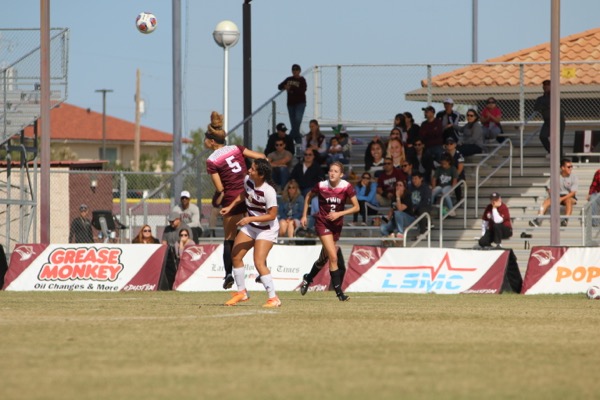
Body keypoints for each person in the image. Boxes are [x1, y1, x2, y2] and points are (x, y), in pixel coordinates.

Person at [204, 111, 267, 290]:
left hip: (232, 196)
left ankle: (228, 274)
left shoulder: (211, 160)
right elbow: (261, 157)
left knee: (229, 237)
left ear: (212, 141)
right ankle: (262, 273)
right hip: (249, 193)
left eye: (205, 140)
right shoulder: (236, 148)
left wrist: (217, 198)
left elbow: (220, 188)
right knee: (257, 232)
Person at [220, 159, 282, 308]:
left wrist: (249, 219)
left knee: (259, 262)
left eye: (253, 169)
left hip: (266, 229)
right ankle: (242, 292)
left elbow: (272, 215)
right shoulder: (248, 180)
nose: (249, 171)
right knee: (235, 256)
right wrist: (230, 207)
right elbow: (244, 194)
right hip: (251, 225)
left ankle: (274, 298)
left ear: (260, 175)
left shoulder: (269, 191)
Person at [299, 162, 360, 301]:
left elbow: (357, 207)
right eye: (330, 170)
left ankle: (308, 278)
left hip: (336, 225)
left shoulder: (346, 186)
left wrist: (339, 214)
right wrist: (304, 215)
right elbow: (308, 196)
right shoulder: (321, 185)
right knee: (333, 257)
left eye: (335, 171)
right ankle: (340, 294)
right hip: (322, 223)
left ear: (341, 174)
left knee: (323, 259)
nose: (332, 173)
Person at [530, 158, 578, 227]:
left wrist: (561, 199)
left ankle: (565, 220)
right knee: (546, 202)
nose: (570, 168)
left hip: (569, 196)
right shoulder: (555, 176)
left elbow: (573, 193)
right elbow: (549, 188)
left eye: (571, 166)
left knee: (568, 201)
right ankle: (538, 219)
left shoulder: (574, 177)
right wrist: (554, 196)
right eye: (568, 167)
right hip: (557, 195)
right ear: (562, 168)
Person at [534, 79, 565, 156]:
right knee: (543, 136)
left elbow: (552, 104)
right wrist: (546, 106)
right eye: (544, 85)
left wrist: (544, 106)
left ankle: (559, 156)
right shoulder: (540, 98)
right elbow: (536, 107)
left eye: (548, 85)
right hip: (548, 121)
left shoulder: (555, 96)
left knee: (558, 139)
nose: (546, 87)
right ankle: (552, 151)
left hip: (558, 121)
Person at [278, 64, 307, 144]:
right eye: (293, 70)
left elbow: (302, 90)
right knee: (293, 123)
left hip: (300, 103)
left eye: (297, 70)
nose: (295, 72)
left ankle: (289, 138)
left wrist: (291, 88)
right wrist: (285, 86)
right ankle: (298, 140)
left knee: (297, 120)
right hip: (291, 104)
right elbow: (279, 86)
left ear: (299, 71)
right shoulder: (288, 79)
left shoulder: (302, 80)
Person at [161, 211, 190, 289]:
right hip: (169, 253)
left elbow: (189, 242)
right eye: (170, 221)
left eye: (172, 221)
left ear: (178, 220)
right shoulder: (167, 229)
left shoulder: (185, 228)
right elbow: (164, 242)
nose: (171, 223)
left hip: (182, 253)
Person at [431, 153, 458, 217]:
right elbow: (434, 179)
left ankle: (452, 210)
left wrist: (452, 189)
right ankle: (429, 207)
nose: (443, 165)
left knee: (445, 192)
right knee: (432, 192)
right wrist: (433, 188)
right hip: (440, 186)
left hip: (449, 186)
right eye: (442, 163)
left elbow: (455, 180)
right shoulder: (439, 168)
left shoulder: (453, 168)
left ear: (449, 162)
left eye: (445, 164)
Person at [409, 171, 432, 241]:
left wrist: (415, 208)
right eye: (412, 179)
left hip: (423, 209)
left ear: (421, 179)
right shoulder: (410, 188)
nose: (414, 180)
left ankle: (423, 233)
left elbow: (425, 201)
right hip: (412, 209)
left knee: (423, 210)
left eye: (415, 178)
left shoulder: (426, 188)